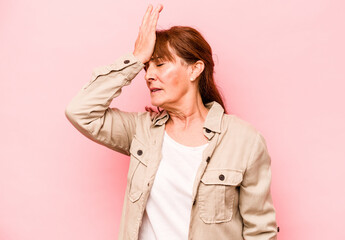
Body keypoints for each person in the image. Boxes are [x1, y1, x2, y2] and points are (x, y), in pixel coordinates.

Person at [65, 4, 278, 240]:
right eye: (147, 66)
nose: (148, 75)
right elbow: (80, 111)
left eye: (160, 64)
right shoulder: (141, 131)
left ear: (195, 69)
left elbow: (261, 232)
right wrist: (135, 59)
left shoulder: (244, 141)